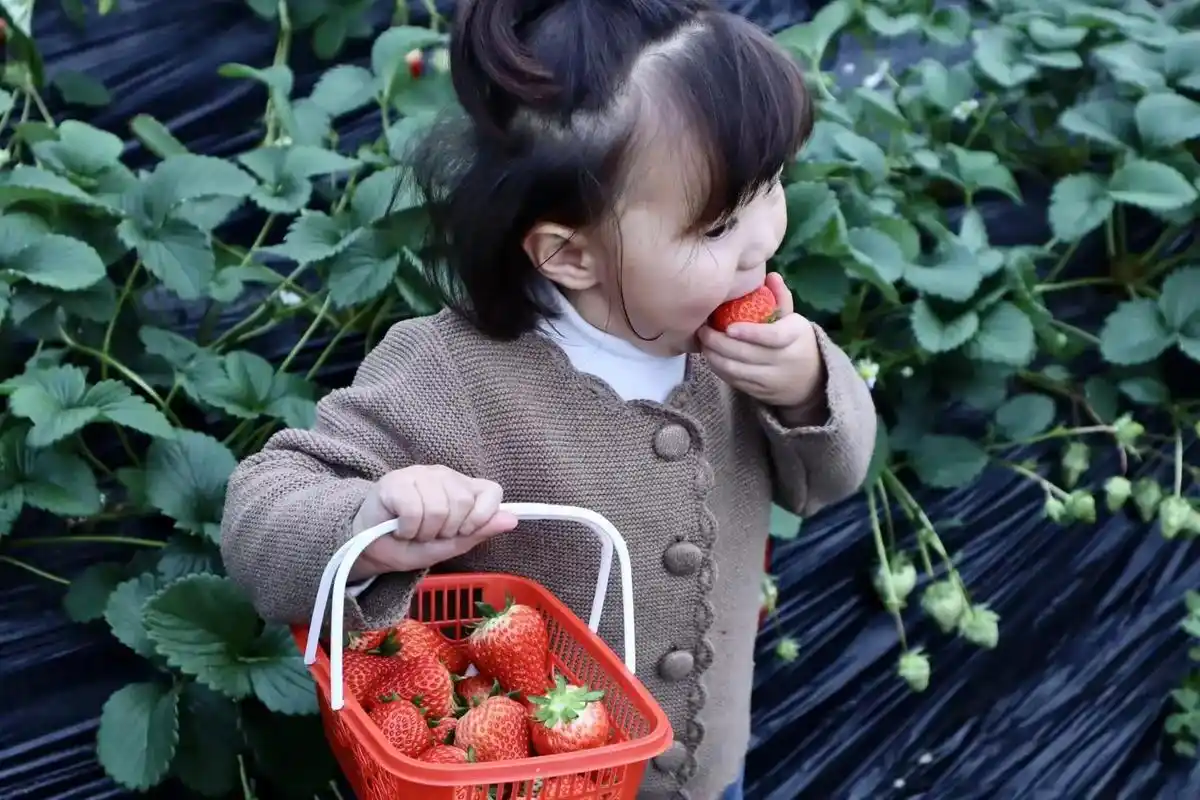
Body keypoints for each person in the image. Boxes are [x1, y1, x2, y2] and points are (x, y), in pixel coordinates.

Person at [220, 1, 877, 798]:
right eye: (718, 225)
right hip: (535, 784)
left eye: (771, 185)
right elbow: (261, 515)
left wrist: (810, 383)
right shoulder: (455, 376)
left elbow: (831, 477)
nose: (763, 238)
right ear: (568, 254)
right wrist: (374, 518)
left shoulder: (743, 339)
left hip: (711, 772)